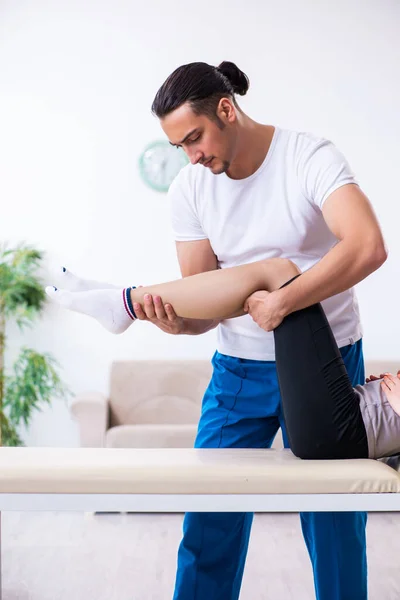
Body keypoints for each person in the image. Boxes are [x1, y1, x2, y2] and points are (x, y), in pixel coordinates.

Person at [51, 60, 388, 600]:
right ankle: (130, 304)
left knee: (334, 525)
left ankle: (123, 301)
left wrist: (283, 303)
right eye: (179, 147)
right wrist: (175, 323)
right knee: (209, 521)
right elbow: (206, 304)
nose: (192, 157)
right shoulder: (191, 189)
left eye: (195, 138)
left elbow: (368, 246)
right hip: (238, 368)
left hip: (324, 361)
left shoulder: (308, 157)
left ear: (226, 110)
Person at [46, 257, 400, 461]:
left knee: (278, 274)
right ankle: (122, 300)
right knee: (269, 280)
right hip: (354, 413)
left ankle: (125, 302)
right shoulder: (193, 189)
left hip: (345, 430)